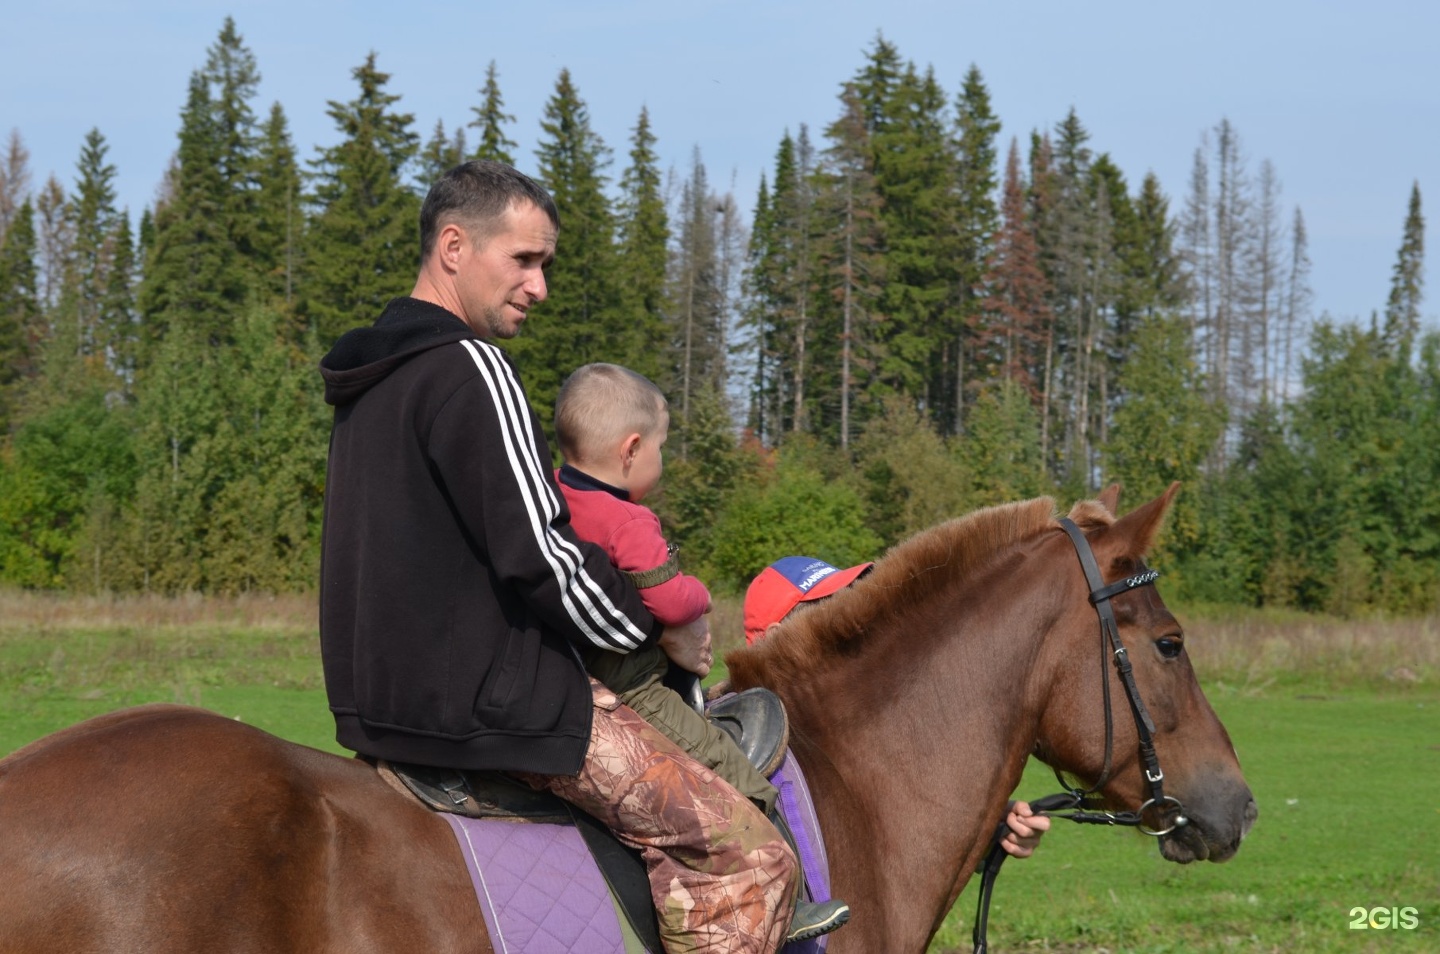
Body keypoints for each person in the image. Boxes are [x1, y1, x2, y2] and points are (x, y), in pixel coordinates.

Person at [318, 161, 795, 953]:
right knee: (749, 856)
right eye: (525, 260)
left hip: (384, 709)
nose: (539, 287)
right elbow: (543, 555)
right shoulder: (473, 368)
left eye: (546, 265)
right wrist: (653, 631)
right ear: (454, 245)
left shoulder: (369, 383)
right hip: (500, 707)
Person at [553, 363, 851, 941]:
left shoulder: (554, 499)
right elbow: (669, 599)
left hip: (581, 672)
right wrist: (701, 593)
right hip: (636, 687)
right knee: (734, 773)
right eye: (662, 446)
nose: (662, 460)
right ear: (631, 449)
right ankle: (788, 908)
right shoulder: (628, 520)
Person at [744, 556, 1052, 858]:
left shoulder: (857, 731)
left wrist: (990, 827)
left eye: (847, 603)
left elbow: (902, 829)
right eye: (828, 612)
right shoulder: (739, 760)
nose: (852, 624)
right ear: (777, 640)